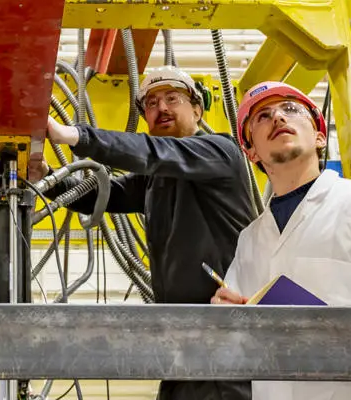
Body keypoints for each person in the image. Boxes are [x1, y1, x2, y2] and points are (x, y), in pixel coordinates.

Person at [43, 66, 257, 400]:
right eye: (152, 103)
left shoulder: (220, 152)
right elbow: (103, 194)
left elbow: (156, 153)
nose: (163, 109)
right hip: (180, 340)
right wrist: (46, 176)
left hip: (226, 335)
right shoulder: (155, 177)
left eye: (173, 98)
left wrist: (76, 137)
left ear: (198, 110)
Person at [210, 81, 351, 400]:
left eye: (291, 109)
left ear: (319, 136)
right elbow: (238, 338)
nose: (278, 117)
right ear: (251, 151)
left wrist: (324, 334)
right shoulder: (250, 239)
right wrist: (226, 312)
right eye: (262, 116)